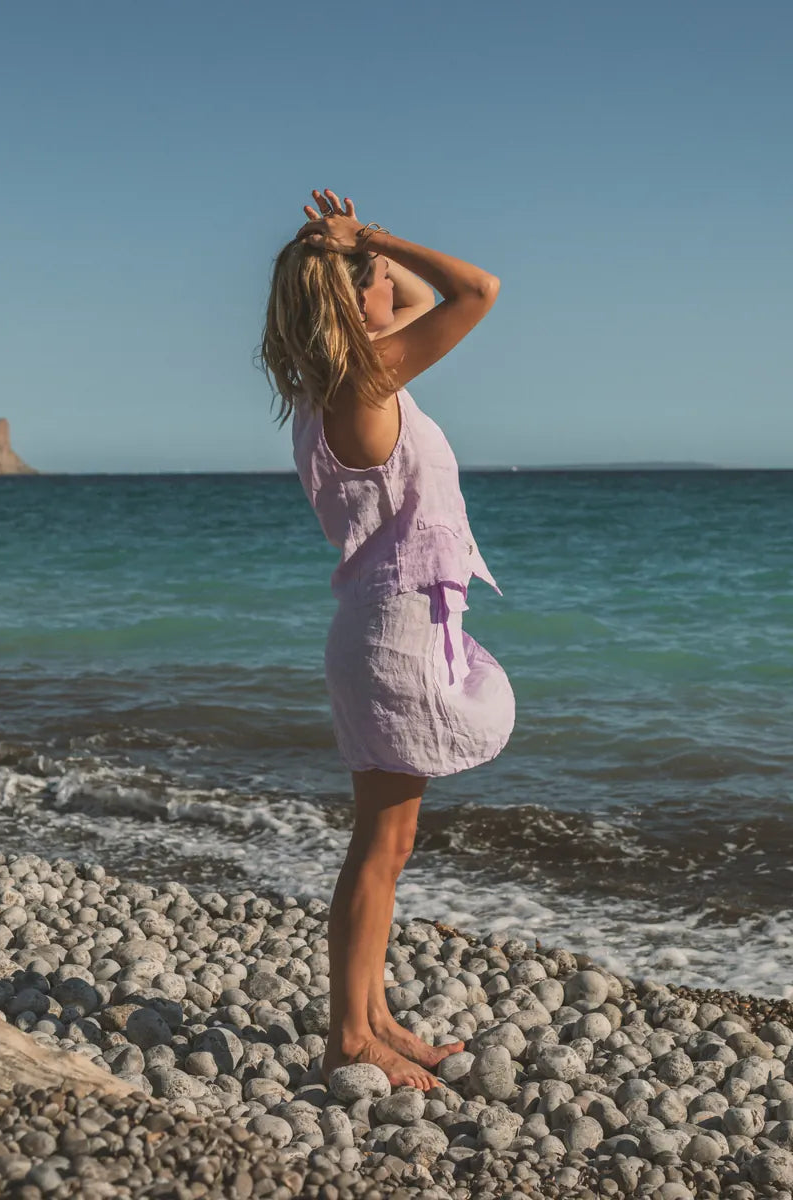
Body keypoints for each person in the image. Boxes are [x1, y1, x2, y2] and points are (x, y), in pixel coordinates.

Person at [259, 188, 516, 1091]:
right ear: (349, 299)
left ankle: (372, 1018)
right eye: (373, 278)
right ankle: (349, 1037)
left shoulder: (335, 388)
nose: (391, 286)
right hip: (394, 633)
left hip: (387, 628)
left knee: (388, 843)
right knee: (379, 844)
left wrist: (354, 251)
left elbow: (415, 298)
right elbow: (476, 290)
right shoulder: (365, 385)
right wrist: (367, 236)